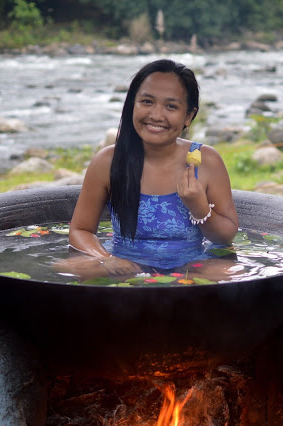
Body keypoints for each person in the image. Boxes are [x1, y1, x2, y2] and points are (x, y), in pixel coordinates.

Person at [59, 59, 239, 279]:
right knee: (67, 267)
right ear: (132, 104)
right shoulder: (108, 161)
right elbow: (80, 231)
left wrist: (199, 207)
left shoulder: (206, 160)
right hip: (124, 265)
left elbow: (225, 238)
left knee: (231, 272)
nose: (156, 115)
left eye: (171, 106)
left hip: (191, 266)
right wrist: (107, 259)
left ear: (189, 116)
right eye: (147, 101)